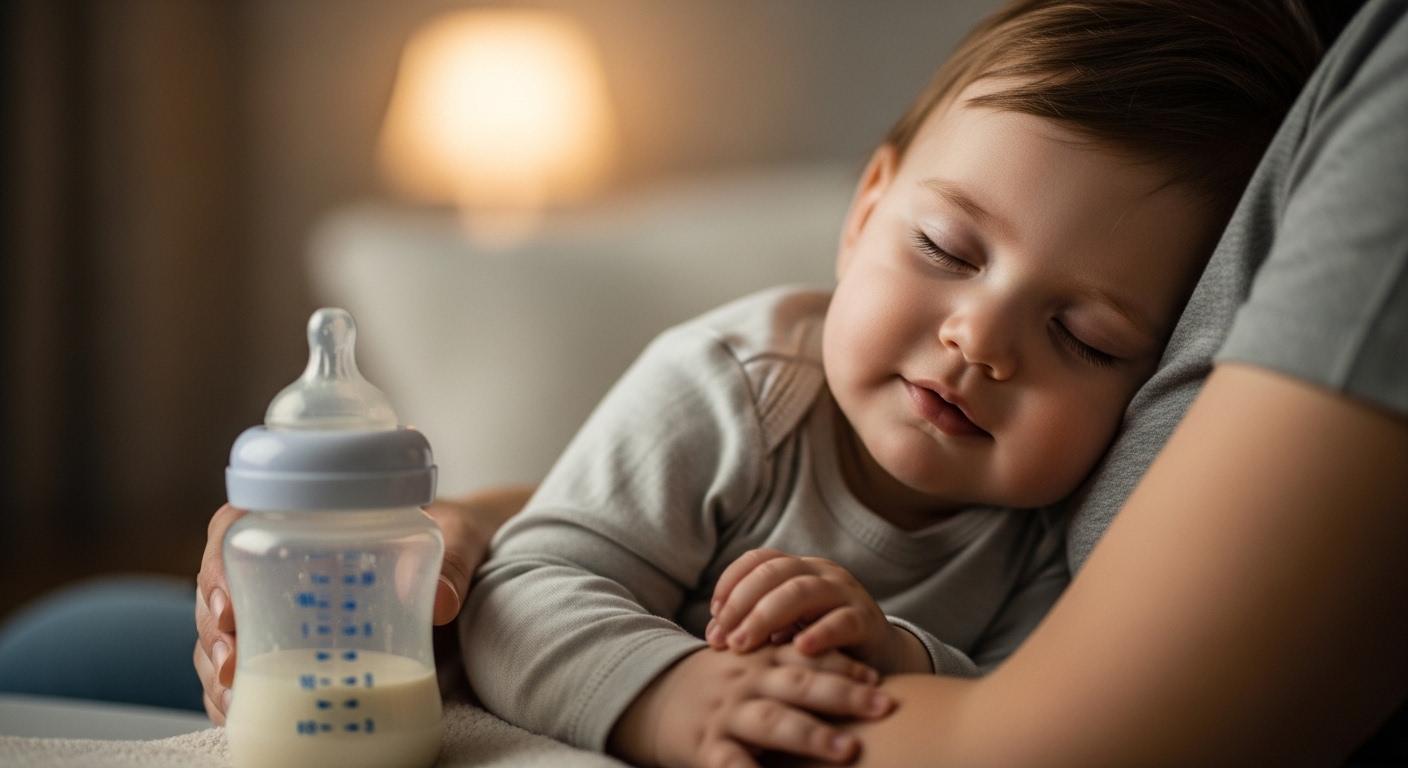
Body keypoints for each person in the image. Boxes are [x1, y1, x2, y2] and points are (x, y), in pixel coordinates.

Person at [450, 2, 1322, 766]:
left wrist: (898, 654)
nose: (978, 340)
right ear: (866, 212)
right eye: (947, 249)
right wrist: (671, 692)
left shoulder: (1063, 520)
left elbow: (1033, 696)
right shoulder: (733, 385)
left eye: (1083, 337)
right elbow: (524, 590)